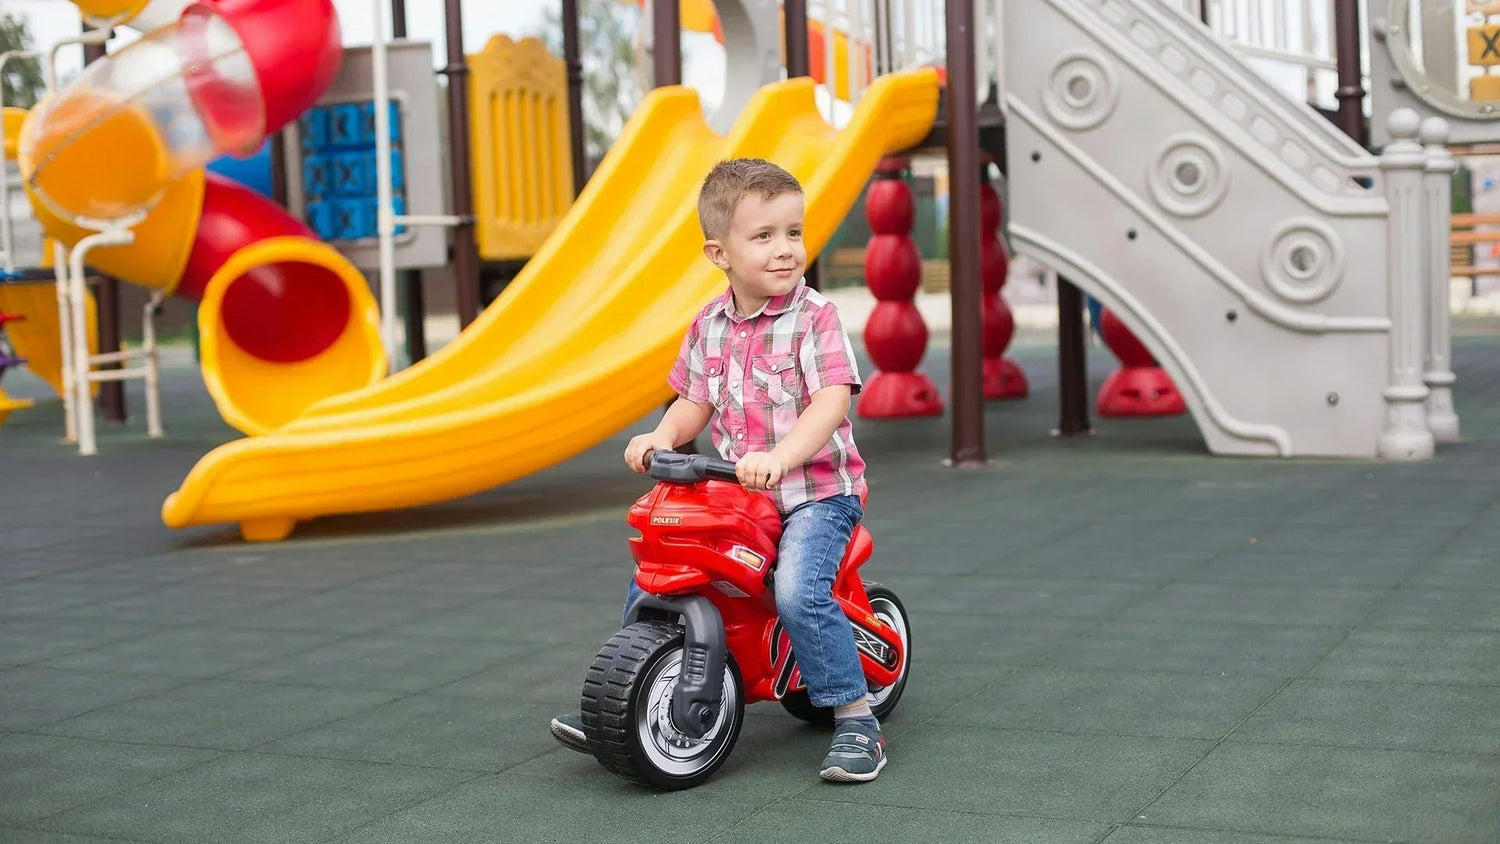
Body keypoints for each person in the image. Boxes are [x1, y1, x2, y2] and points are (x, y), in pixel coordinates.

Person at [549, 157, 885, 783]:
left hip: (814, 494)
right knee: (660, 572)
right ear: (718, 253)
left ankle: (855, 717)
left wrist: (783, 456)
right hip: (739, 493)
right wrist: (660, 435)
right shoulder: (709, 323)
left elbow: (832, 399)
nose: (786, 250)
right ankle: (631, 686)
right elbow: (694, 400)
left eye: (794, 232)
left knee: (796, 591)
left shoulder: (815, 318)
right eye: (764, 236)